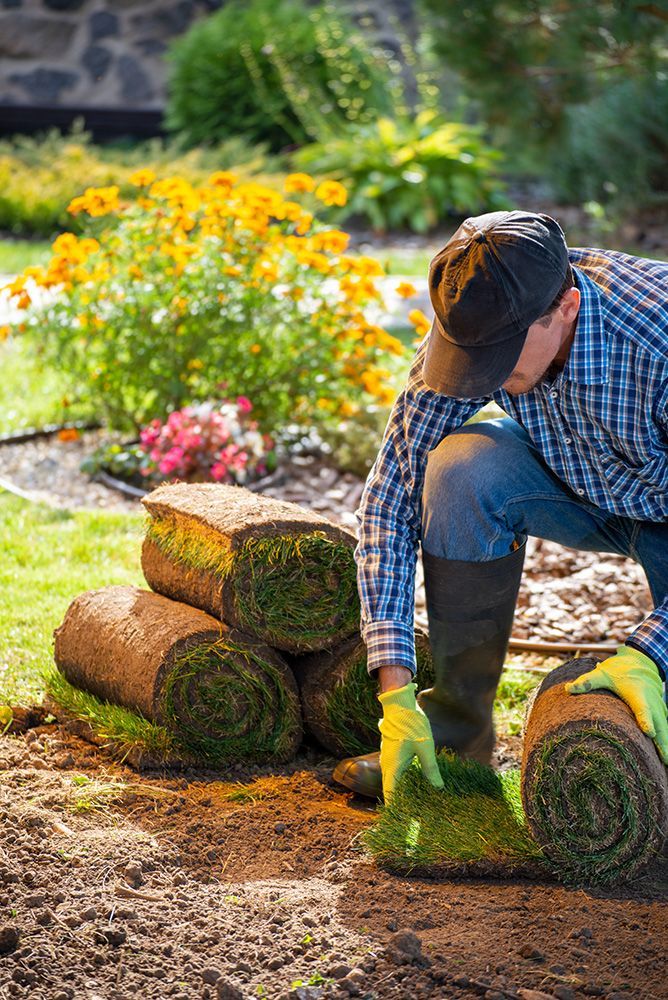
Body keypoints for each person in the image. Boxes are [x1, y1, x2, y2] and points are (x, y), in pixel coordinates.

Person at [332, 209, 668, 803]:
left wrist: (651, 650)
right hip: (583, 485)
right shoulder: (479, 322)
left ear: (566, 305)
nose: (482, 372)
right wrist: (395, 690)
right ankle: (457, 735)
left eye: (502, 354)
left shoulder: (655, 337)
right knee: (461, 468)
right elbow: (392, 494)